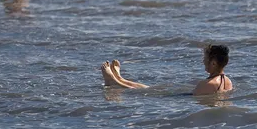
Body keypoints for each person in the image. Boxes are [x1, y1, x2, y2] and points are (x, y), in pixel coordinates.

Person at [100, 44, 233, 96]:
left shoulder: (207, 84)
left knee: (145, 92)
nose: (203, 61)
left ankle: (114, 82)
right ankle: (120, 79)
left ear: (214, 63)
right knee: (148, 87)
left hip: (178, 98)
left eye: (205, 59)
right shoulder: (227, 81)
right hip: (186, 94)